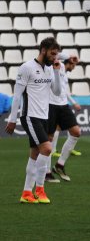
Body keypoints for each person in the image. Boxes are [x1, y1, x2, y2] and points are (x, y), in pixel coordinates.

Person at [5, 37, 62, 204]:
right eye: (52, 53)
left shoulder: (51, 69)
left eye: (56, 54)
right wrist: (13, 118)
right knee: (47, 148)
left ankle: (26, 193)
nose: (54, 57)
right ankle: (40, 189)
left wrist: (57, 72)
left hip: (44, 116)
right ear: (43, 50)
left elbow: (57, 92)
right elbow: (17, 95)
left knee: (35, 154)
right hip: (30, 116)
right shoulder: (27, 67)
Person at [45, 53, 82, 183]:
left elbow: (64, 91)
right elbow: (56, 54)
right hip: (50, 104)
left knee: (76, 132)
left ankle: (59, 165)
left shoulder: (62, 68)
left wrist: (69, 57)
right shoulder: (48, 65)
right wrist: (67, 56)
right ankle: (47, 172)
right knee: (48, 138)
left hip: (63, 105)